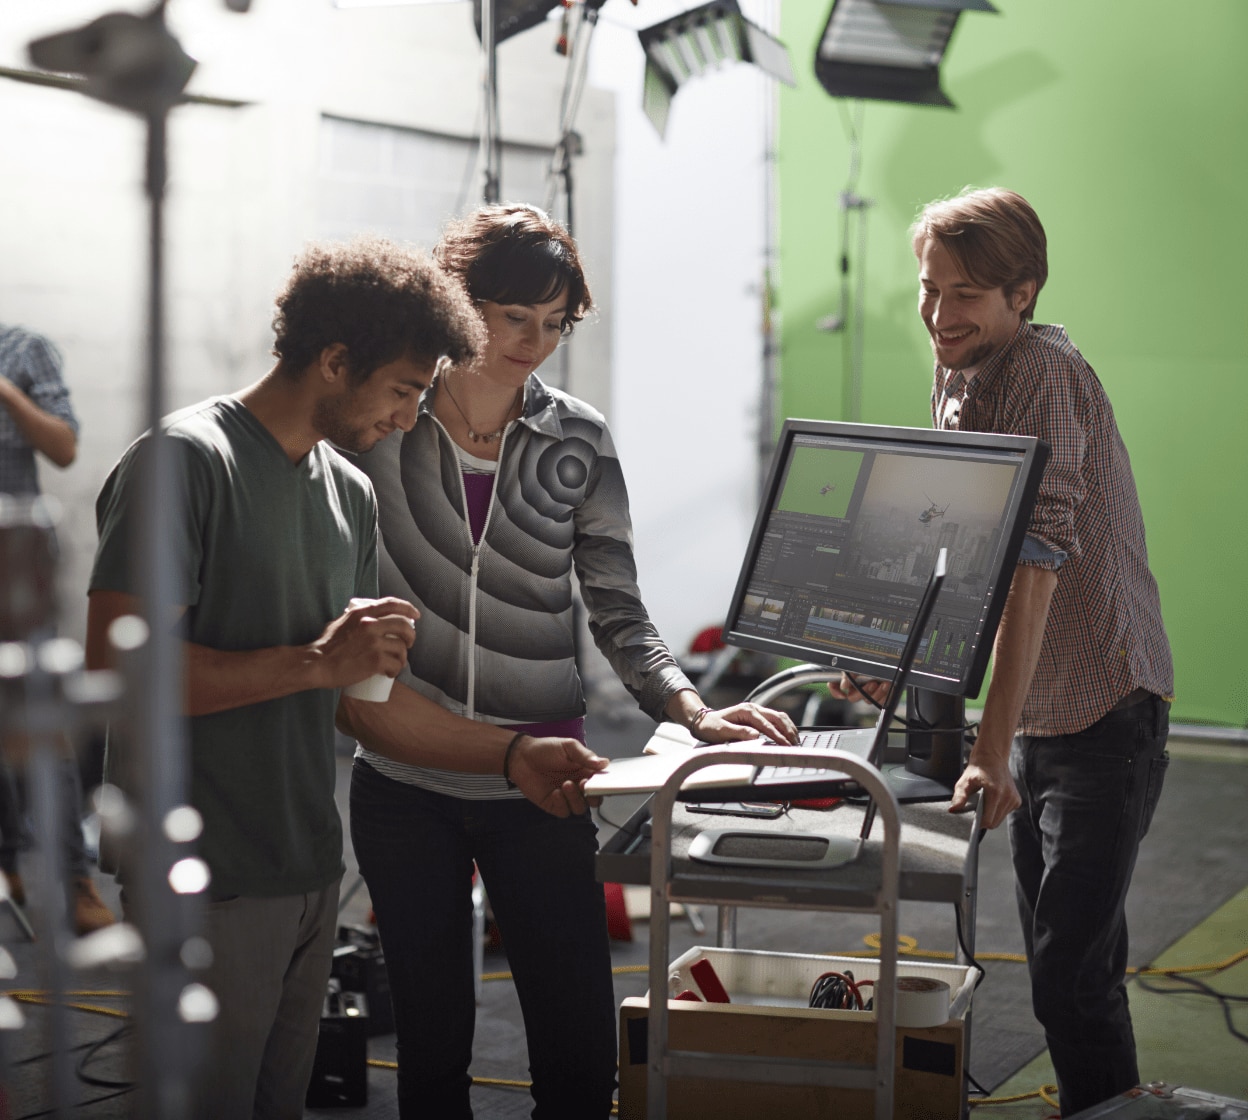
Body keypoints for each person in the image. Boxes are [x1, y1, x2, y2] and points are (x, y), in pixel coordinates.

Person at [338, 202, 799, 1120]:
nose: (535, 343)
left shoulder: (577, 441)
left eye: (556, 324)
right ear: (459, 302)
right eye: (516, 318)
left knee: (581, 1061)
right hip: (406, 776)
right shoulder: (385, 425)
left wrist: (692, 709)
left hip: (545, 783)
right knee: (431, 1061)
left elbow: (620, 610)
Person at [84, 238, 497, 1120]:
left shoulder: (348, 493)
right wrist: (316, 661)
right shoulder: (184, 463)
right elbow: (115, 672)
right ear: (334, 360)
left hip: (306, 868)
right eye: (401, 391)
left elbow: (361, 706)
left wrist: (515, 757)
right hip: (204, 874)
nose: (409, 417)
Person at [838, 188, 1173, 1115]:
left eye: (966, 296)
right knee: (1063, 955)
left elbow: (1034, 564)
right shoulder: (960, 371)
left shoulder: (1043, 374)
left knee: (1070, 972)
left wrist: (986, 750)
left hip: (1108, 705)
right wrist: (893, 661)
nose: (940, 315)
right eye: (929, 288)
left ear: (1022, 292)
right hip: (1035, 709)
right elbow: (955, 546)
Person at [0, 321, 115, 935]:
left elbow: (65, 446)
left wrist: (5, 391)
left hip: (12, 567)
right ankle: (8, 867)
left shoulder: (24, 348)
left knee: (42, 719)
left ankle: (75, 880)